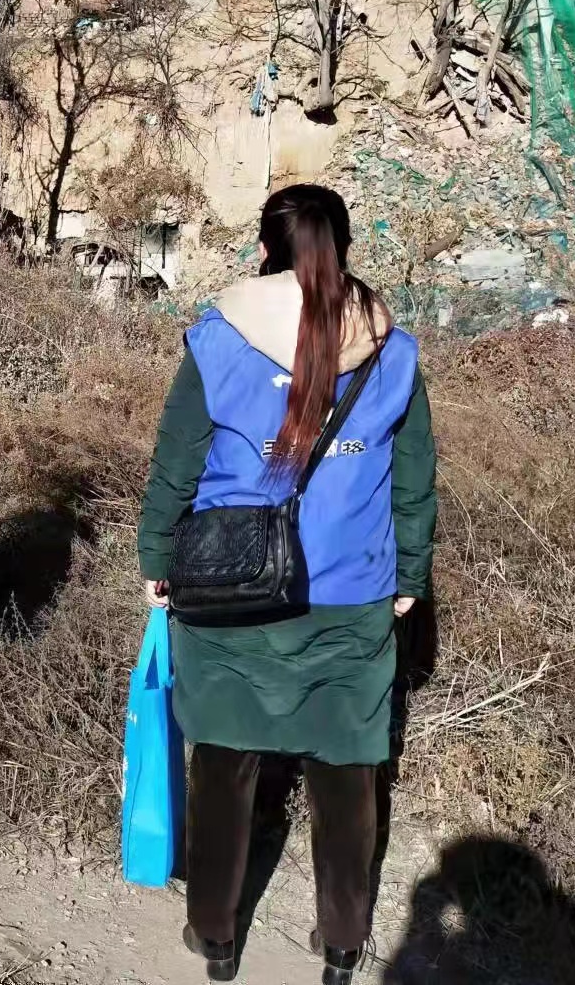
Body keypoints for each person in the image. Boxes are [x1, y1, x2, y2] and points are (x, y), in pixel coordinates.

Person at [137, 184, 437, 985]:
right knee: (347, 771)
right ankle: (341, 944)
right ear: (344, 249)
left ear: (264, 250)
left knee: (222, 765)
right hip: (352, 591)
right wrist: (410, 571)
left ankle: (215, 936)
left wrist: (156, 556)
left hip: (230, 587)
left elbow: (177, 461)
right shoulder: (392, 350)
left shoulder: (220, 338)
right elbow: (413, 478)